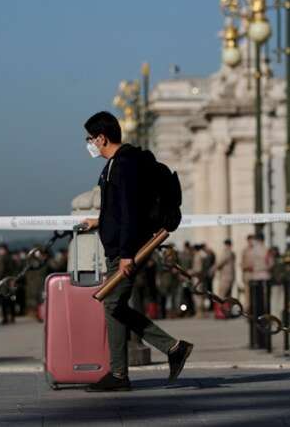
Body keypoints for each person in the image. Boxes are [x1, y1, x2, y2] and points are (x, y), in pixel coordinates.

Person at [79, 111, 192, 392]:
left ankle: (127, 370)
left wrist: (128, 253)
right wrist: (99, 221)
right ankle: (148, 359)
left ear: (102, 138)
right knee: (113, 305)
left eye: (90, 139)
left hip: (126, 250)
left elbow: (130, 211)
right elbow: (117, 209)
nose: (89, 144)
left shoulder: (125, 164)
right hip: (119, 247)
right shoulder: (116, 164)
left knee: (112, 304)